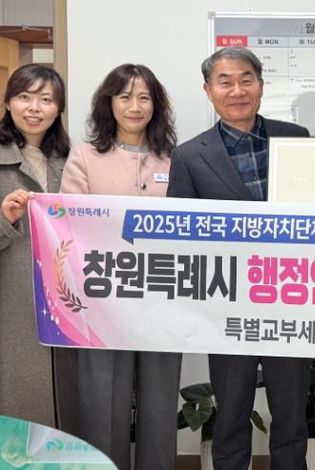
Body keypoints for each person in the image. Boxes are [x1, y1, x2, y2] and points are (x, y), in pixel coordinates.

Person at [167, 46, 311, 470]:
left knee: (291, 415)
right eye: (225, 82)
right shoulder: (189, 156)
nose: (237, 90)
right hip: (227, 306)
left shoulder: (298, 139)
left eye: (246, 79)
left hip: (291, 299)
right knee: (230, 415)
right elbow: (181, 237)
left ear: (261, 84)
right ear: (208, 90)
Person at [59, 64, 180, 470]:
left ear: (156, 105)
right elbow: (70, 225)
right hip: (101, 303)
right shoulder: (84, 157)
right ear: (108, 103)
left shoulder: (175, 159)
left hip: (163, 299)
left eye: (144, 97)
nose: (135, 106)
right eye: (125, 96)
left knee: (160, 401)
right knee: (101, 402)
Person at [0, 64, 76, 430]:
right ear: (8, 103)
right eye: (24, 97)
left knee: (65, 407)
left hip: (65, 298)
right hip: (11, 301)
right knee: (19, 407)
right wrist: (5, 219)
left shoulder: (71, 160)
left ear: (58, 108)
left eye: (46, 99)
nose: (34, 108)